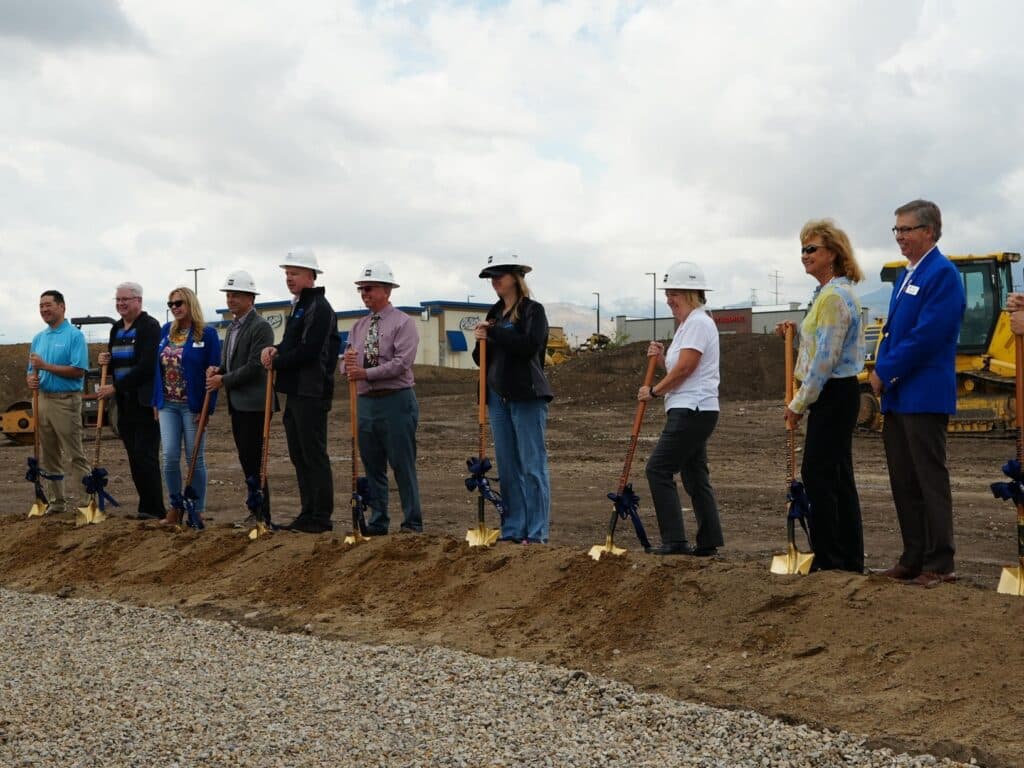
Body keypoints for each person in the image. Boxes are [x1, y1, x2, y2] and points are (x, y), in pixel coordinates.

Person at [869, 200, 965, 587]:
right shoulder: (908, 275)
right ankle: (912, 555)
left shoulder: (942, 274)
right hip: (900, 396)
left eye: (906, 230)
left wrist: (885, 370)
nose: (900, 237)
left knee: (928, 479)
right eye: (896, 230)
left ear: (929, 231)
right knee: (903, 479)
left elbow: (928, 336)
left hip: (923, 394)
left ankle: (939, 562)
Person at [776, 220, 866, 572]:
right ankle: (847, 558)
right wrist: (796, 334)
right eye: (802, 249)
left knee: (819, 475)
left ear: (833, 253)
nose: (804, 256)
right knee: (838, 476)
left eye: (811, 249)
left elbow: (825, 362)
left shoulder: (833, 298)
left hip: (833, 394)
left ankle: (831, 559)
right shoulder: (826, 295)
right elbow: (820, 347)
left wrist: (798, 404)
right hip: (836, 395)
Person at [638, 261, 723, 557]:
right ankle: (709, 540)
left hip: (692, 408)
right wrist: (662, 359)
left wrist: (654, 390)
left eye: (673, 293)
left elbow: (687, 367)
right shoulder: (689, 326)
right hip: (693, 407)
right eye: (667, 293)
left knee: (658, 469)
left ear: (690, 293)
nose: (668, 300)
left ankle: (674, 540)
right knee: (694, 474)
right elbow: (679, 366)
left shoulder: (698, 323)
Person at [472, 252, 553, 544]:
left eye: (500, 276)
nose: (495, 282)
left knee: (532, 465)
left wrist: (494, 335)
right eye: (491, 277)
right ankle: (513, 528)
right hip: (496, 398)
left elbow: (528, 345)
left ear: (515, 278)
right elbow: (481, 359)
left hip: (526, 395)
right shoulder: (494, 314)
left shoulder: (533, 311)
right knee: (507, 467)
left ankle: (536, 532)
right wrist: (482, 339)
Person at [260, 248, 340, 534]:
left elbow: (309, 351)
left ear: (310, 275)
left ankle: (320, 516)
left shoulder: (319, 307)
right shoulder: (300, 306)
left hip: (312, 391)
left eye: (294, 273)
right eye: (286, 274)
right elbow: (292, 344)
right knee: (299, 454)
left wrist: (278, 359)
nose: (289, 278)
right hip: (295, 390)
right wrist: (276, 349)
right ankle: (308, 512)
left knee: (312, 453)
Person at [342, 262, 423, 535]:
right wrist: (349, 367)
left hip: (396, 401)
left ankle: (412, 522)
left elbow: (402, 363)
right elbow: (347, 362)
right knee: (372, 464)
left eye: (369, 288)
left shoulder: (403, 323)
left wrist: (366, 372)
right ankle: (378, 521)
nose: (364, 293)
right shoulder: (358, 327)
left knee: (402, 464)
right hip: (366, 403)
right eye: (361, 289)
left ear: (387, 290)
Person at [206, 270, 276, 527]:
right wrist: (219, 370)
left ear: (250, 298)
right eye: (228, 294)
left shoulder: (261, 327)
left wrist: (223, 380)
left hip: (256, 405)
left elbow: (254, 366)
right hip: (238, 405)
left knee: (256, 460)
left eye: (236, 295)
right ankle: (254, 509)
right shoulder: (232, 327)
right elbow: (231, 363)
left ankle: (262, 513)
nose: (230, 299)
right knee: (246, 460)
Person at [97, 282, 165, 520]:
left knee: (146, 456)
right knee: (134, 457)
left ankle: (155, 508)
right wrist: (105, 360)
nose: (121, 304)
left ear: (139, 300)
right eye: (118, 300)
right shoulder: (116, 329)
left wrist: (115, 386)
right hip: (123, 403)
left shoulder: (149, 326)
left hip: (144, 402)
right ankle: (144, 506)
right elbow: (117, 364)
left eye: (125, 299)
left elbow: (146, 367)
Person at [153, 286, 220, 524]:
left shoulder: (207, 334)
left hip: (193, 407)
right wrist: (156, 401)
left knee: (194, 458)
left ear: (190, 303)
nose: (174, 308)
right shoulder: (165, 332)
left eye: (178, 303)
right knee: (169, 456)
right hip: (168, 405)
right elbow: (157, 370)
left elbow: (214, 373)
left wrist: (207, 408)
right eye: (170, 304)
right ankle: (175, 506)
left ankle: (196, 507)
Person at [26, 290, 92, 516]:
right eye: (41, 305)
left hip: (66, 401)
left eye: (48, 305)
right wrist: (31, 378)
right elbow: (29, 371)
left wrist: (45, 367)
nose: (44, 309)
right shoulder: (38, 338)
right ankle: (56, 502)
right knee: (49, 453)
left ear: (62, 306)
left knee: (75, 454)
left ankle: (87, 502)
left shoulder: (74, 336)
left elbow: (78, 371)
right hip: (42, 400)